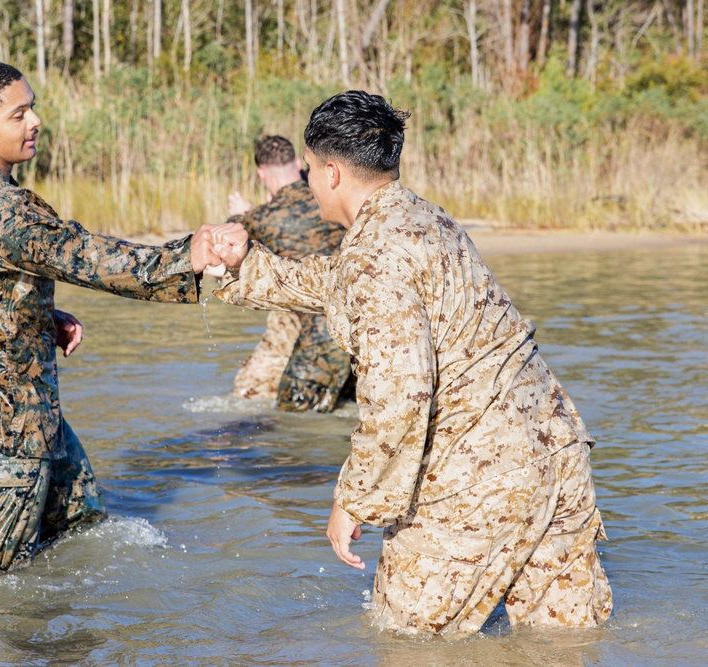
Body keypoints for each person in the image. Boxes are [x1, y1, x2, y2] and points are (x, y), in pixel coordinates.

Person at [209, 90, 612, 636]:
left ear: (329, 173)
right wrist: (247, 266)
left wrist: (352, 501)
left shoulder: (376, 252)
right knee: (564, 643)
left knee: (404, 638)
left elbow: (400, 396)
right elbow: (336, 281)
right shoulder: (420, 218)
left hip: (479, 477)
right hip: (555, 454)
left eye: (308, 171)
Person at [0, 61, 231, 571]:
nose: (35, 121)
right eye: (19, 114)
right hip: (6, 426)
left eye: (32, 107)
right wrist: (185, 258)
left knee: (84, 536)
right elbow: (84, 257)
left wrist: (36, 310)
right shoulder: (1, 208)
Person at [225, 136, 353, 412]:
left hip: (314, 328)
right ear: (297, 163)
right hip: (354, 313)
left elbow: (227, 255)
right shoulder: (333, 200)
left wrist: (239, 216)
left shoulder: (261, 217)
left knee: (257, 400)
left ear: (261, 174)